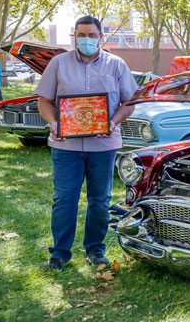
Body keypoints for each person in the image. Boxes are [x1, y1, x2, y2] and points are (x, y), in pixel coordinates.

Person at [36, 16, 139, 270]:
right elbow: (44, 100)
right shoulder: (59, 63)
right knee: (64, 199)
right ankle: (59, 253)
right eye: (81, 35)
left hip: (103, 146)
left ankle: (95, 250)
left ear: (100, 37)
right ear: (74, 36)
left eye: (92, 35)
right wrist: (53, 122)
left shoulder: (116, 65)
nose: (87, 40)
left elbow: (130, 103)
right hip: (65, 146)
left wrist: (113, 122)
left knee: (100, 200)